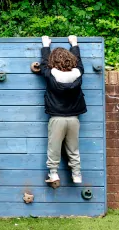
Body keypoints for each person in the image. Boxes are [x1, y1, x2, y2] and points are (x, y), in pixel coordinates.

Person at [39, 35, 87, 185]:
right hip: (74, 119)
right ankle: (77, 174)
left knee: (54, 147)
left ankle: (53, 174)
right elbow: (79, 62)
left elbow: (44, 64)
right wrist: (74, 43)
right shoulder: (78, 74)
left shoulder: (49, 74)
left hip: (56, 118)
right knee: (73, 148)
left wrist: (46, 46)